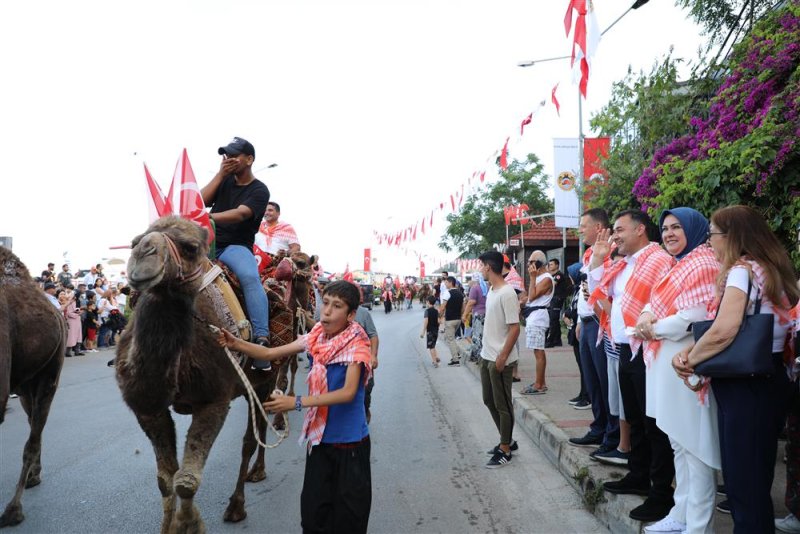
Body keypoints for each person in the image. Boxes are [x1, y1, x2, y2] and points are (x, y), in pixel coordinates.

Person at [673, 205, 799, 533]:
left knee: (743, 482)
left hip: (746, 384)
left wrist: (690, 359)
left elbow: (725, 328)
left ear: (731, 237)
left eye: (712, 235)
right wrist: (695, 351)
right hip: (767, 378)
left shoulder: (742, 271)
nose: (709, 243)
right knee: (755, 479)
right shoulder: (769, 269)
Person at [217, 280, 373, 533]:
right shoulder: (316, 337)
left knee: (349, 521)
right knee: (312, 518)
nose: (327, 311)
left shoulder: (357, 344)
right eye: (326, 304)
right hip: (320, 444)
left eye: (337, 306)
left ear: (351, 314)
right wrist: (235, 343)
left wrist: (296, 402)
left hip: (350, 446)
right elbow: (269, 354)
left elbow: (347, 393)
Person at [631, 207, 720, 534]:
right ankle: (681, 515)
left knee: (696, 450)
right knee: (679, 445)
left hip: (687, 368)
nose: (668, 233)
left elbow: (693, 317)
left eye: (676, 227)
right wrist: (645, 317)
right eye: (665, 228)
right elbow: (652, 304)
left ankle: (699, 526)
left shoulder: (703, 263)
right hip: (667, 367)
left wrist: (650, 330)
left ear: (694, 229)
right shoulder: (676, 265)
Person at [590, 210, 676, 523]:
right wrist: (599, 260)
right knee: (636, 419)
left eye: (619, 230)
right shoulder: (623, 263)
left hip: (648, 349)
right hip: (625, 348)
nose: (614, 237)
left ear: (640, 230)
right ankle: (638, 475)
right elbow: (598, 293)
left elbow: (662, 304)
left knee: (653, 424)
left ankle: (661, 493)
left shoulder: (657, 259)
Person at [202, 136, 271, 369]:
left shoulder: (260, 190)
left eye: (234, 155)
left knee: (250, 277)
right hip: (208, 246)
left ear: (249, 159)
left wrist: (208, 218)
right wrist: (220, 175)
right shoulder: (224, 181)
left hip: (234, 247)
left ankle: (262, 339)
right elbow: (199, 201)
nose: (228, 159)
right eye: (226, 156)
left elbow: (241, 214)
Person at [569, 208, 619, 460]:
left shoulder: (610, 252)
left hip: (602, 322)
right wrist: (579, 319)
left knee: (605, 381)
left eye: (583, 226)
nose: (579, 230)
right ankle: (598, 427)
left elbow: (605, 289)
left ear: (599, 228)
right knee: (592, 381)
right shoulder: (589, 253)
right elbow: (585, 290)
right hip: (587, 323)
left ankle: (613, 433)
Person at [478, 250, 521, 468]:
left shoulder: (507, 293)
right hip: (487, 356)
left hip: (500, 359)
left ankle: (505, 448)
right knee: (489, 400)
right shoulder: (492, 291)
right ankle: (508, 440)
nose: (479, 269)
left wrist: (503, 357)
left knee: (503, 404)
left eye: (481, 265)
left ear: (488, 266)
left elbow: (515, 328)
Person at [521, 250, 554, 395]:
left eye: (531, 262)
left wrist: (532, 277)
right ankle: (540, 382)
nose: (529, 265)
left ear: (539, 263)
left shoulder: (546, 278)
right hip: (534, 316)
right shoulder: (541, 278)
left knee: (539, 352)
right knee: (537, 350)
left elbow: (532, 296)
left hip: (538, 317)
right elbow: (529, 296)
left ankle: (539, 384)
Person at [563, 262, 591, 410]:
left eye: (571, 274)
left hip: (580, 329)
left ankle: (587, 396)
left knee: (585, 366)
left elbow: (579, 310)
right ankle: (582, 393)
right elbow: (571, 308)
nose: (569, 277)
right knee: (581, 366)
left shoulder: (583, 289)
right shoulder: (576, 290)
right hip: (574, 330)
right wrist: (566, 315)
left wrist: (570, 315)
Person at [253, 201, 301, 271]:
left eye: (270, 210)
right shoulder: (257, 227)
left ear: (278, 214)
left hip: (278, 266)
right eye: (265, 210)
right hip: (257, 263)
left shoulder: (286, 228)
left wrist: (286, 253)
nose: (266, 213)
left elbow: (296, 247)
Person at [354, 293, 379, 424]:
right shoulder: (332, 313)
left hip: (362, 360)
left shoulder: (363, 313)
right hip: (341, 362)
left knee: (366, 389)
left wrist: (373, 355)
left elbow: (373, 335)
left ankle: (365, 408)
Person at [439, 276, 464, 366]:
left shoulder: (447, 293)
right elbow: (463, 307)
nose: (445, 284)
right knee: (450, 337)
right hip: (458, 319)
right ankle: (457, 353)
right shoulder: (460, 293)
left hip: (450, 319)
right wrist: (460, 315)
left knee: (450, 339)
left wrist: (439, 317)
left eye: (446, 283)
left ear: (450, 283)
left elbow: (443, 307)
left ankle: (455, 360)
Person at [463, 272, 488, 363]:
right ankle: (484, 356)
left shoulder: (475, 288)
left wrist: (464, 314)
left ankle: (478, 357)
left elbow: (471, 302)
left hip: (478, 315)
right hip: (487, 314)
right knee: (484, 336)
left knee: (477, 336)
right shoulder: (487, 286)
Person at [421, 295, 441, 367]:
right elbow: (439, 321)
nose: (426, 303)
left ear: (428, 302)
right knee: (433, 345)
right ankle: (436, 357)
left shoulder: (427, 311)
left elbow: (426, 321)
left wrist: (423, 332)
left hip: (430, 331)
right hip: (436, 331)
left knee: (431, 347)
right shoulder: (436, 311)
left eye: (426, 302)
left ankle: (435, 361)